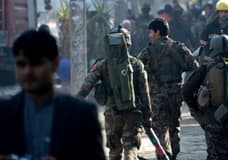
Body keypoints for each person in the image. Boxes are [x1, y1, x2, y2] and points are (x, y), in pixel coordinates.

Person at [0, 30, 106, 160]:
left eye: (36, 63)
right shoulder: (4, 113)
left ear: (55, 63)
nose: (28, 71)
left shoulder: (81, 114)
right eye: (21, 64)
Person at [77, 27, 152, 160]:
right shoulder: (137, 64)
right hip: (132, 113)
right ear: (128, 43)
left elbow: (86, 86)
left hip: (112, 115)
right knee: (131, 149)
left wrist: (74, 103)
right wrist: (147, 116)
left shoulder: (102, 65)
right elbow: (144, 92)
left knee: (114, 151)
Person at [138, 17, 197, 160]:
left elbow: (137, 69)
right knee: (174, 127)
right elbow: (193, 66)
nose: (149, 36)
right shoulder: (178, 47)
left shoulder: (148, 51)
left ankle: (163, 155)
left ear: (157, 32)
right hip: (176, 94)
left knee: (159, 128)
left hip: (157, 96)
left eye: (151, 32)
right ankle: (173, 155)